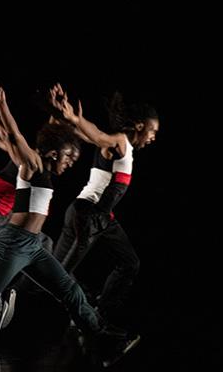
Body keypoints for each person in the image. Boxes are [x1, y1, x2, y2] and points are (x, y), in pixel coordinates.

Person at [0, 78, 139, 368]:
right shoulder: (31, 163)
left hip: (33, 245)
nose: (69, 166)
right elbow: (12, 135)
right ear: (54, 152)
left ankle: (103, 337)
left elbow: (6, 137)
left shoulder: (41, 166)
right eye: (69, 159)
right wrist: (1, 105)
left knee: (70, 291)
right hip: (12, 243)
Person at [49, 84, 159, 324]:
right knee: (59, 275)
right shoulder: (118, 140)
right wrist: (73, 118)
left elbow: (93, 134)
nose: (153, 137)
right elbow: (98, 134)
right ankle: (91, 317)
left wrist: (69, 121)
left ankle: (94, 311)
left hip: (97, 216)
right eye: (152, 131)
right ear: (140, 126)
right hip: (88, 214)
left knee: (129, 263)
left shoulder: (122, 148)